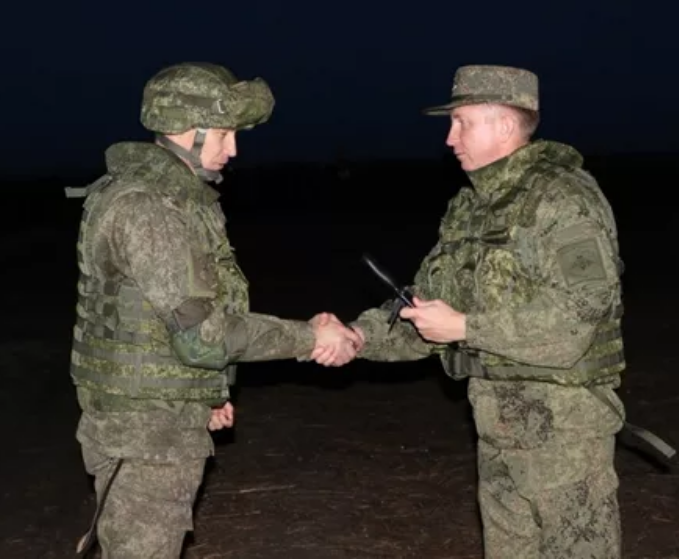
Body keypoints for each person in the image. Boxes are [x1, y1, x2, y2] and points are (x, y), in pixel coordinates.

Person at [65, 61, 361, 558]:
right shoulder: (151, 209)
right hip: (146, 436)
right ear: (187, 129)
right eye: (224, 134)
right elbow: (204, 337)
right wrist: (310, 337)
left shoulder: (162, 197)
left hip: (153, 419)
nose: (234, 149)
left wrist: (205, 392)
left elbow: (163, 322)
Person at [328, 65, 627, 558]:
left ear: (505, 125)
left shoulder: (563, 199)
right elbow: (428, 305)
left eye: (461, 122)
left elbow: (577, 318)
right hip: (496, 428)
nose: (450, 138)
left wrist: (465, 327)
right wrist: (358, 337)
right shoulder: (471, 208)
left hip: (565, 435)